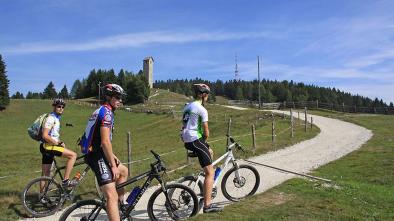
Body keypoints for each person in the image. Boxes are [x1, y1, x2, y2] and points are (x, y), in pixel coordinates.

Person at [81, 83, 128, 221]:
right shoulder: (106, 113)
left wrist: (112, 158)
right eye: (118, 97)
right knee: (111, 196)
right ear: (109, 97)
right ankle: (114, 204)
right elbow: (105, 142)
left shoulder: (103, 110)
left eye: (121, 97)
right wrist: (112, 165)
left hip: (98, 151)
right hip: (95, 155)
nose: (120, 100)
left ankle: (120, 207)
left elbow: (98, 140)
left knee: (123, 171)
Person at [181, 83, 223, 213]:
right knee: (210, 172)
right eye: (208, 94)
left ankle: (204, 184)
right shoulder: (202, 109)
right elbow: (206, 132)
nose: (208, 97)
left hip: (187, 139)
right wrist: (206, 141)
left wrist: (206, 145)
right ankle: (207, 205)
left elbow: (184, 125)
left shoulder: (187, 106)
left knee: (208, 153)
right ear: (204, 94)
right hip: (195, 139)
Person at [40, 98, 77, 188]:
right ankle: (65, 181)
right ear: (54, 107)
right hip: (49, 147)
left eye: (62, 107)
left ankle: (42, 197)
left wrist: (59, 141)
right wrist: (57, 143)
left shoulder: (55, 118)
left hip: (46, 146)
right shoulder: (51, 118)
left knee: (45, 175)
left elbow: (52, 135)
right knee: (73, 155)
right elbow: (45, 135)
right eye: (59, 106)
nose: (61, 108)